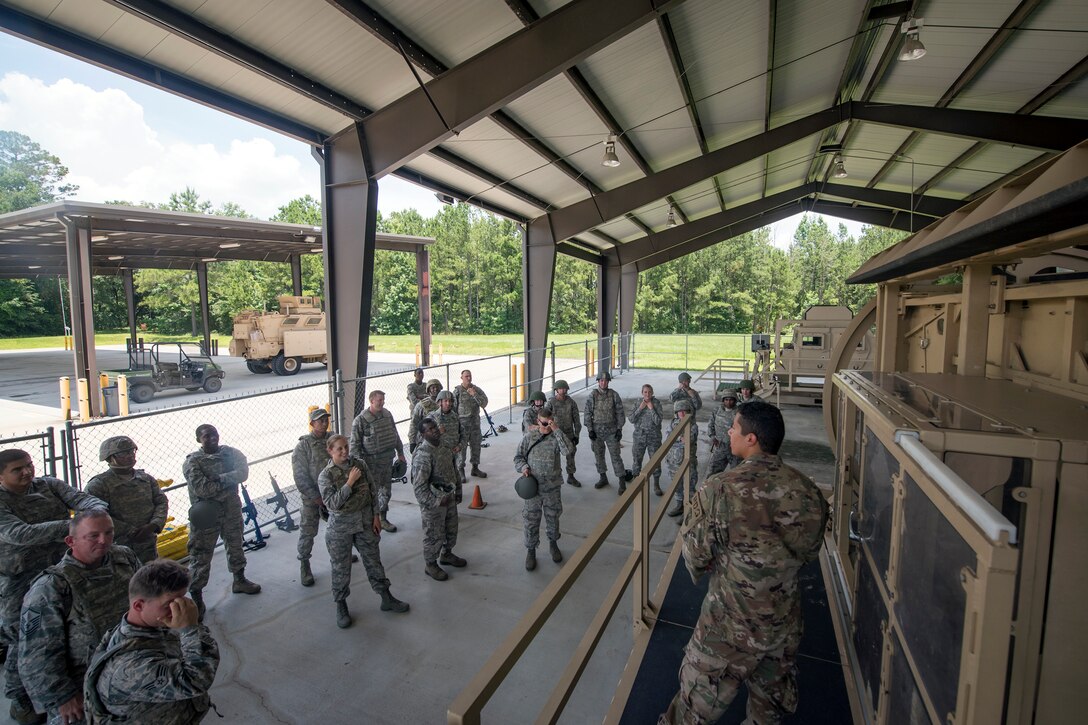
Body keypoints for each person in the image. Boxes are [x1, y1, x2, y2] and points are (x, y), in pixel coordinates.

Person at [659, 400, 829, 725]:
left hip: (729, 626)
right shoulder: (809, 492)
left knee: (691, 711)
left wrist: (720, 560)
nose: (729, 431)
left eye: (734, 427)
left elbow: (694, 556)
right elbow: (809, 552)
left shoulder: (719, 490)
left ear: (751, 439)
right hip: (783, 624)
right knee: (768, 713)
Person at [0, 449, 104, 725]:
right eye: (17, 469)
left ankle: (63, 687)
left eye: (28, 465)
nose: (26, 472)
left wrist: (95, 511)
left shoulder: (49, 485)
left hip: (59, 571)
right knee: (22, 637)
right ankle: (21, 699)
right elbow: (19, 534)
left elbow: (83, 499)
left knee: (63, 629)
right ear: (1, 476)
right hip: (19, 577)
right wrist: (74, 525)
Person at [18, 510, 140, 725]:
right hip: (85, 685)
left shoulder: (124, 557)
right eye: (93, 536)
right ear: (70, 541)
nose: (104, 541)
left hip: (132, 666)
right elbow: (35, 655)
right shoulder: (50, 588)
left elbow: (146, 600)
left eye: (109, 533)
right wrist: (62, 697)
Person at [83, 560, 219, 723]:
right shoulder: (128, 668)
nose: (178, 609)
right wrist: (190, 629)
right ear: (139, 605)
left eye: (181, 600)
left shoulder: (151, 624)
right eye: (170, 604)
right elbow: (197, 680)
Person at [320, 435, 409, 628]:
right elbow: (332, 504)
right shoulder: (326, 475)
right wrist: (349, 482)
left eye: (346, 447)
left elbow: (372, 491)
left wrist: (376, 516)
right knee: (341, 568)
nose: (344, 452)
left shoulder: (359, 464)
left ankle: (386, 597)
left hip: (364, 522)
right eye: (339, 449)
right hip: (340, 528)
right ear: (330, 451)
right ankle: (341, 605)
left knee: (373, 561)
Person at [182, 424, 260, 623]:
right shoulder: (193, 462)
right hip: (207, 514)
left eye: (214, 434)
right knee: (201, 554)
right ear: (199, 439)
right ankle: (197, 596)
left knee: (235, 544)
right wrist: (227, 481)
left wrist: (218, 478)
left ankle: (239, 580)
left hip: (231, 510)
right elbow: (203, 489)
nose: (212, 438)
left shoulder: (231, 453)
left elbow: (243, 473)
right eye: (206, 436)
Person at [85, 436, 169, 564]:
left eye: (132, 451)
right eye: (124, 453)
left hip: (147, 544)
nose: (130, 456)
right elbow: (94, 516)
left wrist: (154, 524)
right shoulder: (99, 485)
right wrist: (129, 531)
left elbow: (161, 501)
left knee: (150, 579)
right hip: (117, 547)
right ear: (110, 457)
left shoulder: (146, 479)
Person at [514, 407, 572, 571]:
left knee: (553, 517)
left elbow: (568, 451)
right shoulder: (529, 437)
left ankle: (553, 544)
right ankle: (531, 550)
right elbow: (518, 457)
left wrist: (557, 430)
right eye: (543, 422)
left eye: (548, 422)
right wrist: (524, 467)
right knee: (531, 519)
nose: (545, 426)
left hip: (552, 487)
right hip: (533, 487)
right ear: (537, 421)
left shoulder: (556, 436)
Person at [411, 420, 465, 582]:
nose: (434, 431)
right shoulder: (423, 455)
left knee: (451, 529)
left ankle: (446, 554)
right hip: (433, 505)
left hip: (449, 498)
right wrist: (435, 502)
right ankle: (430, 564)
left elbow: (454, 470)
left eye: (435, 427)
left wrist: (458, 491)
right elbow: (419, 487)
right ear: (423, 435)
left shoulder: (444, 447)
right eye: (429, 430)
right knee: (433, 535)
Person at [349, 390, 407, 533]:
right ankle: (370, 522)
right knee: (371, 494)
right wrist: (358, 468)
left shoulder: (387, 415)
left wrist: (400, 453)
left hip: (387, 462)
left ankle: (383, 518)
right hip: (370, 465)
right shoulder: (360, 421)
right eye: (379, 400)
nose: (382, 402)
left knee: (386, 492)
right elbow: (354, 446)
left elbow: (395, 435)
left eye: (383, 400)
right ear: (371, 401)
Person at [291, 408, 332, 588]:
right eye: (320, 421)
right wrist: (315, 497)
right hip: (312, 497)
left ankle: (340, 553)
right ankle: (304, 564)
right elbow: (300, 476)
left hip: (332, 494)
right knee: (308, 531)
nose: (324, 423)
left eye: (326, 420)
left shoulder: (333, 439)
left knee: (338, 528)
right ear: (312, 423)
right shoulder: (303, 446)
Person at [583, 371, 626, 493]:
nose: (603, 382)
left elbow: (620, 413)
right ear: (598, 381)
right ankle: (603, 477)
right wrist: (590, 429)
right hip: (597, 432)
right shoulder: (593, 395)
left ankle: (622, 481)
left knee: (616, 456)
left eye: (605, 380)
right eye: (601, 380)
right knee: (599, 456)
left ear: (608, 382)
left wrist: (619, 429)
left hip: (612, 431)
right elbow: (587, 413)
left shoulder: (614, 395)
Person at [427, 390, 465, 502]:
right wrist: (438, 432)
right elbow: (425, 437)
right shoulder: (433, 418)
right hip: (440, 458)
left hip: (454, 455)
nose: (448, 403)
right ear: (439, 402)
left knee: (456, 479)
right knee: (443, 482)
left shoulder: (455, 417)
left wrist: (460, 446)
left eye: (450, 401)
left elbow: (463, 434)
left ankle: (456, 500)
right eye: (445, 401)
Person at [452, 369, 489, 479]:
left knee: (476, 445)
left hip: (475, 424)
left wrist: (474, 395)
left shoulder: (476, 389)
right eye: (466, 376)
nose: (468, 378)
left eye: (470, 376)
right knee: (462, 448)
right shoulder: (457, 391)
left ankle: (475, 468)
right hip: (463, 425)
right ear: (462, 378)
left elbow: (484, 403)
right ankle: (461, 469)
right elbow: (453, 408)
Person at [665, 398, 699, 518]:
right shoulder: (672, 423)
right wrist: (680, 437)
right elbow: (668, 438)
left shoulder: (693, 425)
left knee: (689, 488)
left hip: (688, 462)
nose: (682, 414)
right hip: (673, 462)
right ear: (676, 412)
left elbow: (689, 440)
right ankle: (680, 506)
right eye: (680, 411)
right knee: (677, 486)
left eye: (685, 411)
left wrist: (677, 437)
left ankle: (689, 513)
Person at [628, 384, 664, 496]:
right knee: (637, 461)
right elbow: (631, 419)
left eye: (649, 392)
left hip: (654, 438)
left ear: (652, 393)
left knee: (655, 462)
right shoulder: (638, 402)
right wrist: (640, 408)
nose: (647, 394)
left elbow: (658, 421)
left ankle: (656, 484)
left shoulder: (656, 403)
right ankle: (636, 483)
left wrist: (651, 408)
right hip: (639, 437)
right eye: (645, 392)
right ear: (642, 393)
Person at [547, 380, 582, 487]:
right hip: (554, 434)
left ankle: (571, 476)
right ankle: (552, 478)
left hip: (569, 434)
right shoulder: (551, 403)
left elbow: (576, 420)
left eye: (564, 388)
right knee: (552, 457)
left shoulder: (571, 402)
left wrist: (577, 435)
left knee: (571, 455)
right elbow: (546, 419)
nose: (563, 390)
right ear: (556, 390)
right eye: (560, 389)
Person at [707, 390, 741, 476]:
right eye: (726, 400)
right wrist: (712, 437)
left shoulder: (740, 412)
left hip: (734, 448)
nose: (728, 402)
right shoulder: (717, 410)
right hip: (720, 446)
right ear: (723, 400)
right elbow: (711, 425)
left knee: (737, 474)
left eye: (731, 400)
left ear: (735, 400)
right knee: (713, 472)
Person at [408, 379, 443, 455]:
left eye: (437, 387)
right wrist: (412, 442)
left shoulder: (445, 402)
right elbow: (414, 423)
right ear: (428, 390)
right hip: (426, 441)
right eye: (433, 387)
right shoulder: (422, 405)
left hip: (442, 440)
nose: (435, 389)